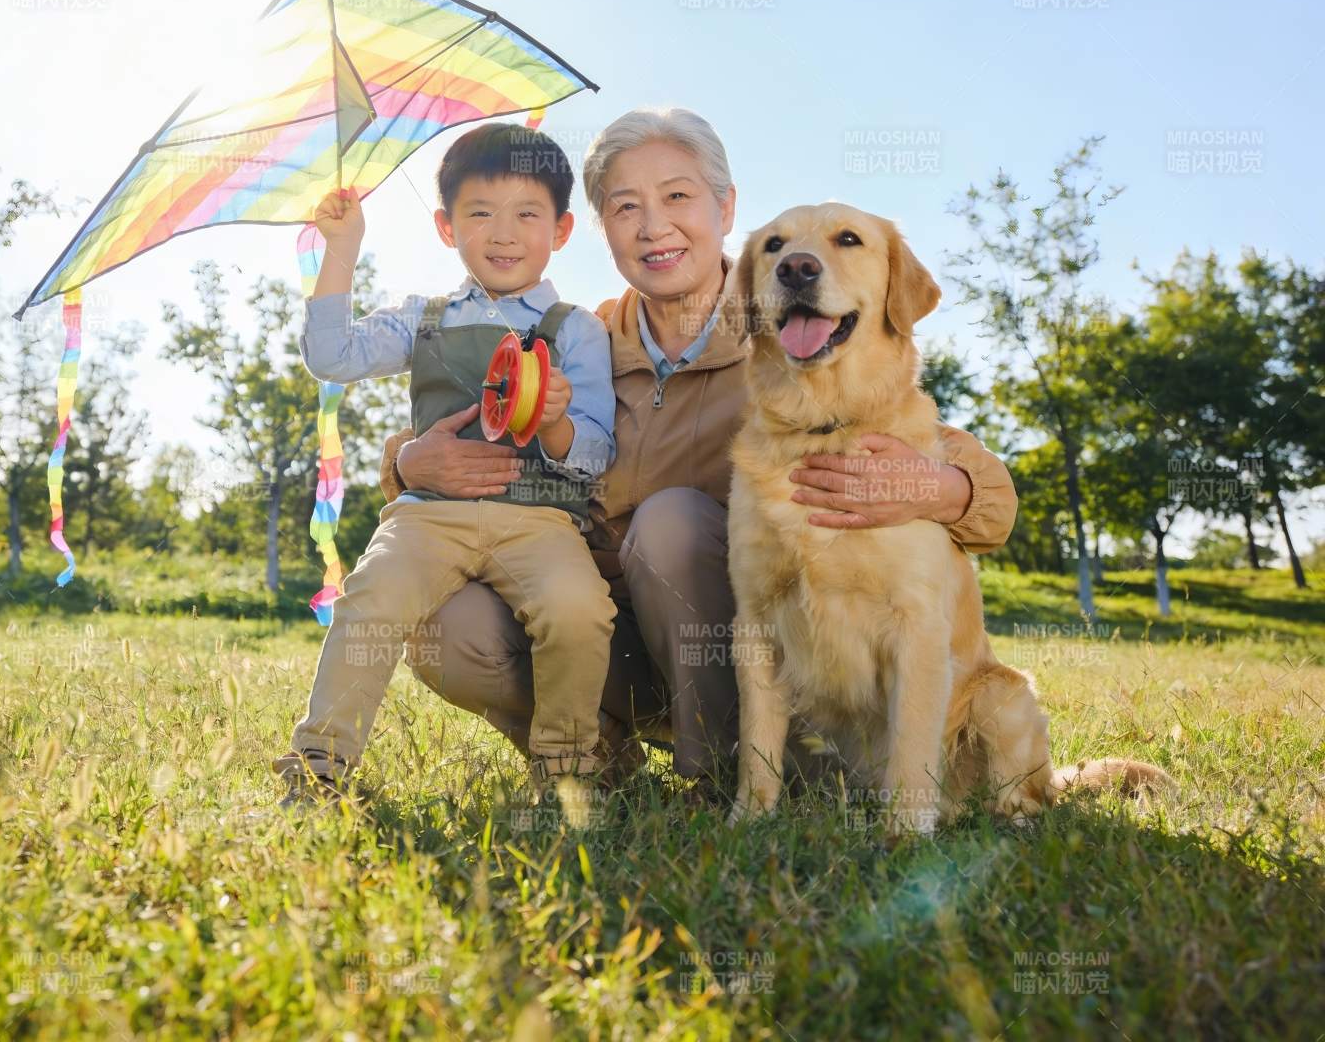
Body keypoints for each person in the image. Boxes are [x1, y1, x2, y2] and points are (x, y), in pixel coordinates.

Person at [379, 107, 1019, 796]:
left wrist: (941, 490)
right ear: (602, 230)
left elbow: (985, 498)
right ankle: (598, 756)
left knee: (671, 522)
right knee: (446, 623)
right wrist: (406, 463)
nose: (654, 226)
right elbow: (472, 419)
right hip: (606, 635)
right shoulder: (575, 343)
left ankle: (732, 776)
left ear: (726, 206)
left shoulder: (796, 332)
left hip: (735, 647)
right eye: (626, 207)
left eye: (677, 196)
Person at [274, 123, 620, 812]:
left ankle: (568, 772)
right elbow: (332, 357)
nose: (503, 233)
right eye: (479, 214)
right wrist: (341, 251)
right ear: (444, 225)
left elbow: (596, 452)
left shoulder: (576, 328)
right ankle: (319, 766)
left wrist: (552, 419)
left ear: (562, 228)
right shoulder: (421, 319)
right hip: (426, 517)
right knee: (370, 603)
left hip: (541, 520)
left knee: (579, 611)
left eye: (527, 214)